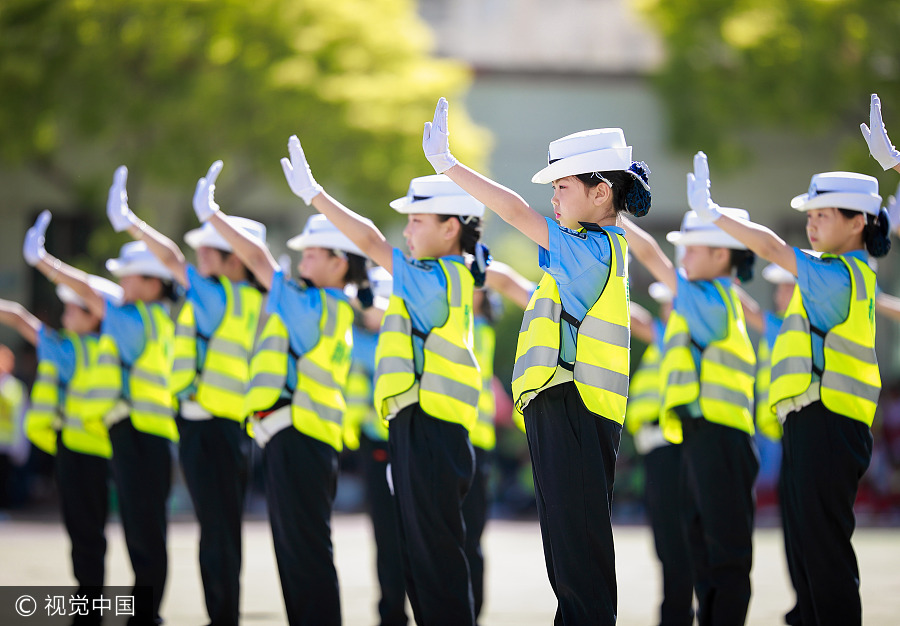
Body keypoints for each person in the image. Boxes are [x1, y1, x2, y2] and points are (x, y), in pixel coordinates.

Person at [422, 97, 651, 623]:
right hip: (566, 405)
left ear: (600, 193)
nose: (551, 197)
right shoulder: (588, 245)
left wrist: (451, 167)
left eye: (562, 186)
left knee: (577, 554)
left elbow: (512, 211)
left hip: (574, 404)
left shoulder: (590, 248)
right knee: (569, 554)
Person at [281, 133, 485, 624]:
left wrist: (316, 196)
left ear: (451, 227)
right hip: (421, 428)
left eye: (416, 220)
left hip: (431, 430)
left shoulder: (434, 276)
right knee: (423, 561)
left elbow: (370, 241)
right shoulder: (444, 274)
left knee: (433, 564)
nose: (407, 230)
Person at [684, 149, 891, 625]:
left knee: (823, 552)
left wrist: (714, 214)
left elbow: (774, 249)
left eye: (822, 215)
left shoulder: (836, 274)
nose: (812, 225)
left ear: (858, 222)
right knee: (810, 549)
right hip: (816, 421)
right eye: (810, 215)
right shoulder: (844, 273)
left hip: (828, 422)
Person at [192, 161, 366, 625]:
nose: (301, 261)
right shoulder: (320, 302)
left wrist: (213, 218)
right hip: (291, 435)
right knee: (295, 552)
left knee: (304, 552)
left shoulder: (321, 304)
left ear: (339, 263)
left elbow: (259, 263)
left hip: (301, 436)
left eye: (312, 254)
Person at [106, 165, 265, 626]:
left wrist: (132, 222)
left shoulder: (220, 297)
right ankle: (224, 615)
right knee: (223, 532)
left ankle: (221, 618)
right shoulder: (253, 299)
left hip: (207, 428)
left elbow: (172, 259)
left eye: (208, 253)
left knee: (215, 534)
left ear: (232, 259)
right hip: (232, 428)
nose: (198, 262)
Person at [23, 207, 178, 626]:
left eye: (128, 275)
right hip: (135, 433)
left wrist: (46, 264)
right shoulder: (147, 316)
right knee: (140, 531)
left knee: (143, 534)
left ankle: (144, 616)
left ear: (153, 283)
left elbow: (92, 294)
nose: (120, 284)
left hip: (141, 433)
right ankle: (133, 614)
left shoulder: (137, 319)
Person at [623, 187, 759, 625]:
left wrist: (610, 214)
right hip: (703, 438)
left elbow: (649, 256)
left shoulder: (709, 297)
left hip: (720, 437)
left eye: (691, 248)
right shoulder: (707, 298)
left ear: (722, 257)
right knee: (704, 549)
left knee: (724, 553)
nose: (681, 257)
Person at [1, 276, 121, 619]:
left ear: (93, 315)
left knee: (89, 537)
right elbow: (22, 319)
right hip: (72, 452)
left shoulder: (105, 346)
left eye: (73, 308)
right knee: (83, 535)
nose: (66, 314)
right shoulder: (65, 346)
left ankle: (90, 610)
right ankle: (88, 607)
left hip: (95, 455)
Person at [626, 282, 695, 626]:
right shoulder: (667, 340)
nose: (663, 310)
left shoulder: (678, 337)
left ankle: (677, 616)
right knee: (669, 541)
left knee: (675, 540)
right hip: (659, 450)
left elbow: (635, 319)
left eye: (669, 303)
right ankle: (677, 613)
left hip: (675, 450)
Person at [345, 266, 410, 626]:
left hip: (406, 442)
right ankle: (391, 614)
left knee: (413, 533)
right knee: (386, 536)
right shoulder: (360, 342)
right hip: (375, 445)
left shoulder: (403, 339)